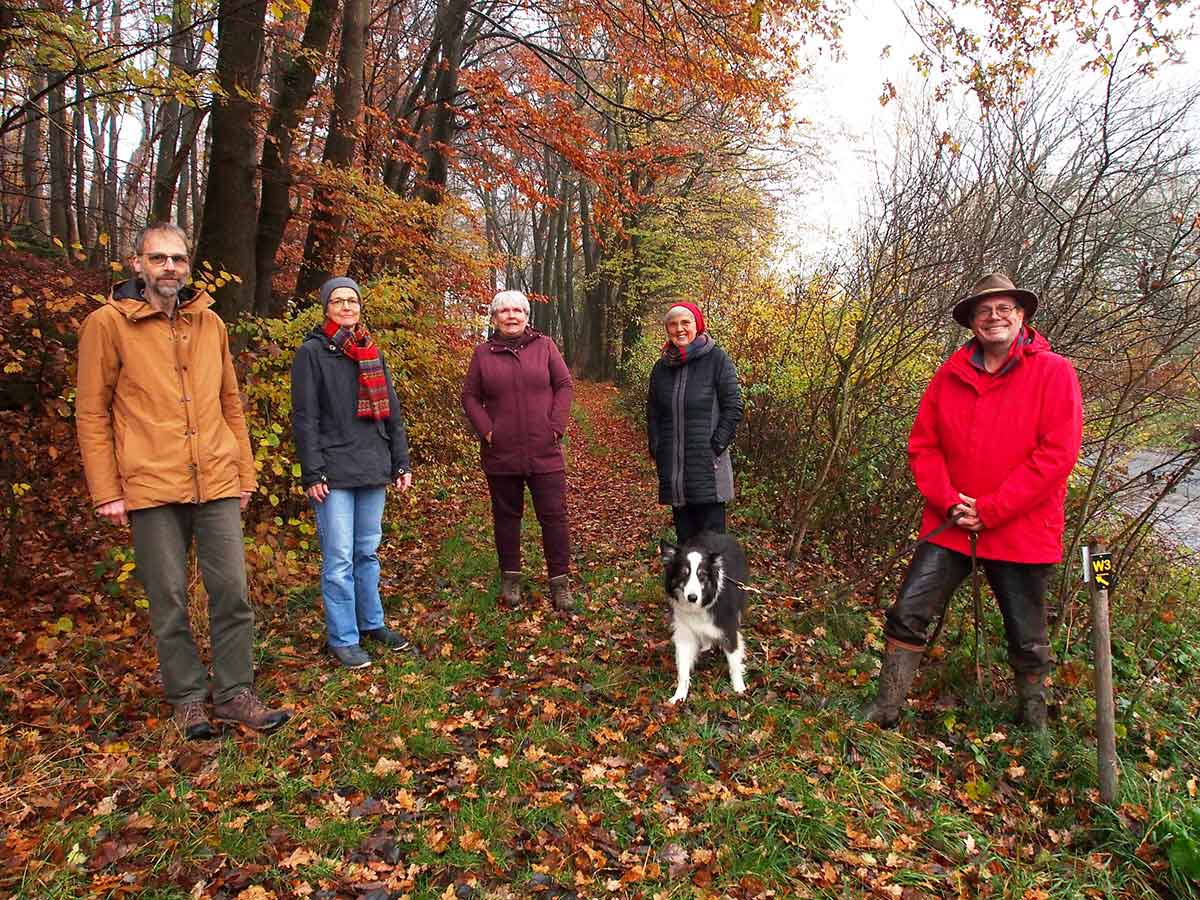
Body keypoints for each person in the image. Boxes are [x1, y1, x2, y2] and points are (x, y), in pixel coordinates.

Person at [76, 221, 291, 741]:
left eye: (177, 258)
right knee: (169, 596)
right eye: (158, 259)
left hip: (215, 478)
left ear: (188, 264)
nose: (169, 267)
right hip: (149, 483)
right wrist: (107, 489)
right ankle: (189, 699)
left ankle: (235, 692)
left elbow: (229, 401)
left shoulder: (209, 324)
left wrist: (244, 470)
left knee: (232, 592)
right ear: (138, 265)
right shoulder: (108, 324)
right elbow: (91, 411)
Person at [860, 273, 1083, 731]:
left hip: (1022, 530)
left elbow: (1058, 453)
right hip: (950, 525)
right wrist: (950, 503)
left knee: (1027, 634)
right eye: (985, 311)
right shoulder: (950, 374)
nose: (994, 317)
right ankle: (885, 709)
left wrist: (993, 509)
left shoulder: (1055, 372)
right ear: (973, 323)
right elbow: (924, 445)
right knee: (909, 612)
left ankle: (1034, 722)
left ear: (1022, 317)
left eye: (1004, 309)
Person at [291, 277, 414, 669]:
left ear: (360, 307)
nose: (346, 307)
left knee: (367, 552)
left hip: (372, 465)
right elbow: (305, 418)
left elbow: (392, 412)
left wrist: (400, 462)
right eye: (338, 301)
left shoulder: (370, 351)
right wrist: (313, 473)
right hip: (333, 471)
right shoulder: (311, 353)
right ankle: (343, 637)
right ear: (326, 308)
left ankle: (372, 623)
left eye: (352, 301)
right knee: (339, 558)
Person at [461, 290, 575, 610]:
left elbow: (564, 385)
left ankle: (560, 582)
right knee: (506, 517)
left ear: (527, 316)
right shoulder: (483, 354)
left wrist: (556, 426)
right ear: (494, 318)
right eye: (504, 311)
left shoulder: (545, 347)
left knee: (554, 516)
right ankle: (510, 578)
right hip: (502, 453)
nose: (511, 316)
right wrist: (488, 430)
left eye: (517, 311)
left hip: (545, 450)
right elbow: (470, 396)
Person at [646, 301, 744, 543]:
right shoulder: (661, 367)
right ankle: (690, 583)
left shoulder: (717, 359)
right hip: (675, 471)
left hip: (708, 469)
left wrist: (716, 445)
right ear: (667, 329)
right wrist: (657, 448)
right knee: (686, 544)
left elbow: (733, 406)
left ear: (697, 325)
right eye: (673, 324)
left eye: (685, 323)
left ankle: (716, 583)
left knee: (712, 547)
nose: (679, 329)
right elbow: (653, 413)